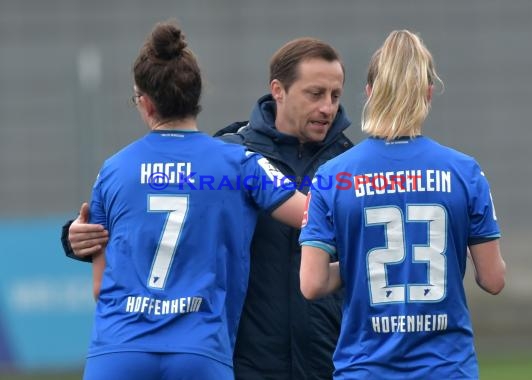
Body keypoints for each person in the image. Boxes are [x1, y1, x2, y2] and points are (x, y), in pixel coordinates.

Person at [62, 37, 353, 379]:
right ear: (278, 90)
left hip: (321, 358)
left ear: (146, 103)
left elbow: (104, 281)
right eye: (315, 94)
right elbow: (311, 216)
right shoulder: (235, 158)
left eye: (335, 96)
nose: (328, 107)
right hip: (227, 355)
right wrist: (73, 239)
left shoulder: (116, 168)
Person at [299, 30, 506, 379]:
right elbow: (493, 279)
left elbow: (312, 283)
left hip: (365, 368)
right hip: (446, 368)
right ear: (427, 93)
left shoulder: (333, 175)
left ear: (369, 93)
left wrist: (361, 260)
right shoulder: (464, 172)